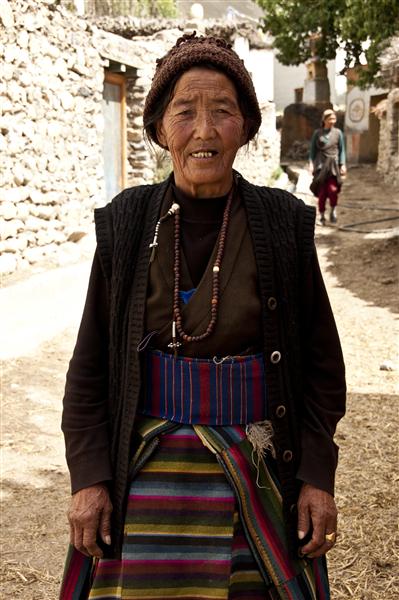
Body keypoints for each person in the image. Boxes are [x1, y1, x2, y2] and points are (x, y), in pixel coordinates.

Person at [60, 33, 346, 600]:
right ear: (161, 129)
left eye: (223, 112)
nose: (205, 130)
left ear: (245, 128)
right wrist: (90, 478)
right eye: (185, 112)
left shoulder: (283, 224)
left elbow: (321, 366)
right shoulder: (126, 223)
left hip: (253, 465)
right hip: (147, 471)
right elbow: (89, 366)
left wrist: (316, 475)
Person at [309, 109, 347, 225]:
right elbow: (312, 151)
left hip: (333, 166)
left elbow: (342, 150)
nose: (332, 121)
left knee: (333, 190)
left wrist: (343, 164)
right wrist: (311, 164)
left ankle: (333, 210)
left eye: (334, 119)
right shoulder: (317, 133)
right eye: (330, 119)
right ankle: (321, 215)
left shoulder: (338, 133)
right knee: (322, 192)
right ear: (324, 120)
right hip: (320, 165)